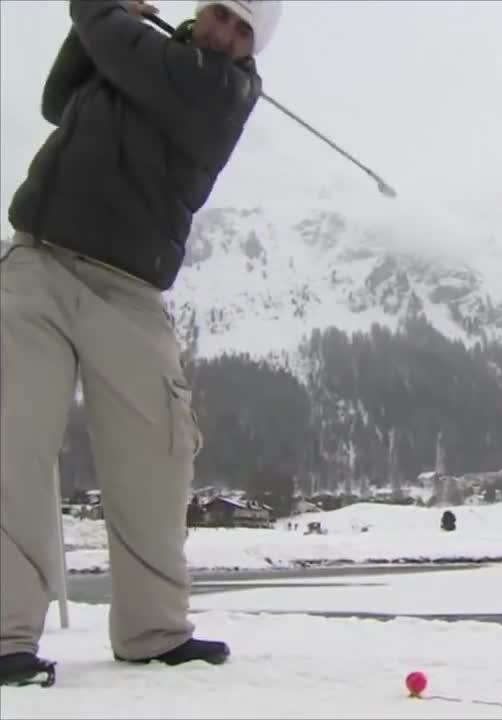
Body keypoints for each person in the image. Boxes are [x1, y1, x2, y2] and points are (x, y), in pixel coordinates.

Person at [0, 0, 282, 686]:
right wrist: (98, 24)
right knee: (11, 445)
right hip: (36, 266)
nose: (225, 34)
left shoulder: (222, 92)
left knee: (157, 456)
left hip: (129, 292)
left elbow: (115, 43)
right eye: (221, 14)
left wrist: (101, 8)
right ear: (201, 11)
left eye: (243, 30)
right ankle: (5, 637)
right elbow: (58, 98)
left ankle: (152, 631)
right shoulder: (139, 53)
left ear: (252, 49)